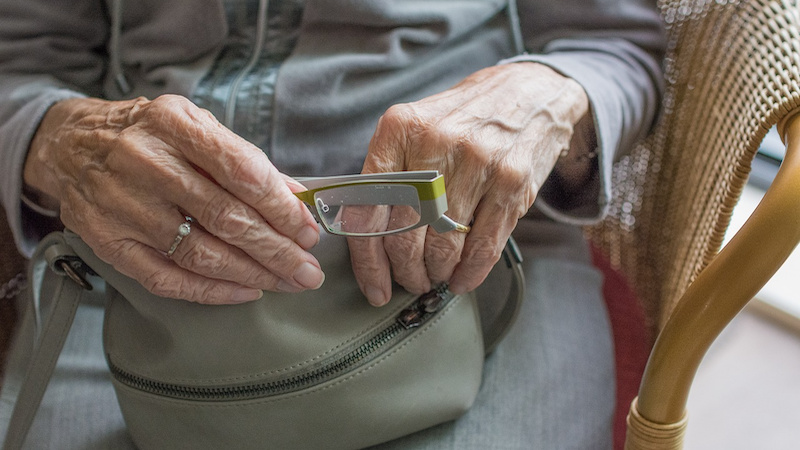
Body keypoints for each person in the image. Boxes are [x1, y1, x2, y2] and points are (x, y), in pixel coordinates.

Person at [0, 0, 665, 448]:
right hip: (142, 256)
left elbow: (612, 50)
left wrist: (535, 98)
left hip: (457, 251)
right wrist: (70, 143)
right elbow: (21, 63)